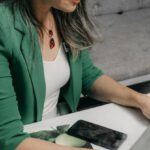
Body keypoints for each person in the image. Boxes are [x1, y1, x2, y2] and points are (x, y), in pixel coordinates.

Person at [0, 0, 150, 150]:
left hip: (60, 130)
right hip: (27, 141)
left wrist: (140, 100)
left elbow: (88, 76)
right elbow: (9, 140)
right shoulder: (3, 26)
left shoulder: (62, 14)